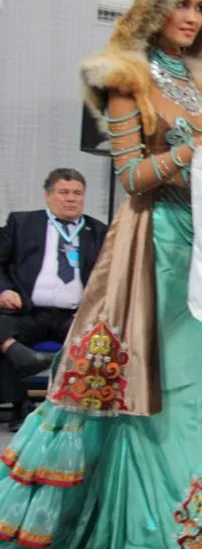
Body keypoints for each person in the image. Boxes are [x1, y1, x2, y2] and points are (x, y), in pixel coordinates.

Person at [0, 0, 202, 549]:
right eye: (180, 3)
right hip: (152, 248)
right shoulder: (127, 77)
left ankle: (190, 523)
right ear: (153, 6)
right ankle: (151, 526)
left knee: (192, 394)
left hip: (200, 249)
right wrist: (190, 149)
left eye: (200, 7)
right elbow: (130, 177)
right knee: (141, 388)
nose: (192, 16)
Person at [0, 169, 108, 432]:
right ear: (48, 196)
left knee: (103, 337)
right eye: (64, 192)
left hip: (74, 315)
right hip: (27, 311)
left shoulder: (98, 231)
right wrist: (4, 291)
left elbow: (109, 276)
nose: (71, 199)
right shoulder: (22, 223)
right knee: (2, 328)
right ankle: (19, 402)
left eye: (77, 193)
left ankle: (81, 407)